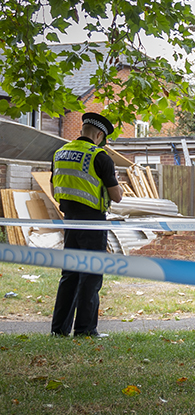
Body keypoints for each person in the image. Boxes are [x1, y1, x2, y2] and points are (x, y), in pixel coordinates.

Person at [50, 113, 122, 337]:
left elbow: (55, 187)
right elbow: (117, 196)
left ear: (83, 130)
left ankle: (59, 330)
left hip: (70, 220)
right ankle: (85, 329)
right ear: (100, 135)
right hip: (93, 223)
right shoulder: (99, 157)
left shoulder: (60, 153)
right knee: (91, 275)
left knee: (70, 273)